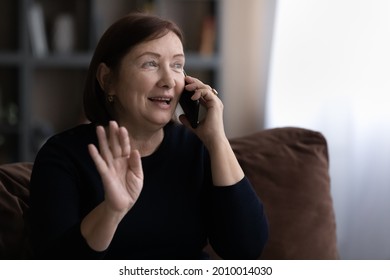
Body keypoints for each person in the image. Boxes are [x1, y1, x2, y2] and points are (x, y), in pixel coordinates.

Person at [30, 12, 268, 260]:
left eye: (177, 65)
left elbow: (246, 250)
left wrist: (217, 139)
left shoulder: (197, 149)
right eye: (150, 64)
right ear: (107, 79)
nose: (168, 81)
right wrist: (111, 211)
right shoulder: (63, 156)